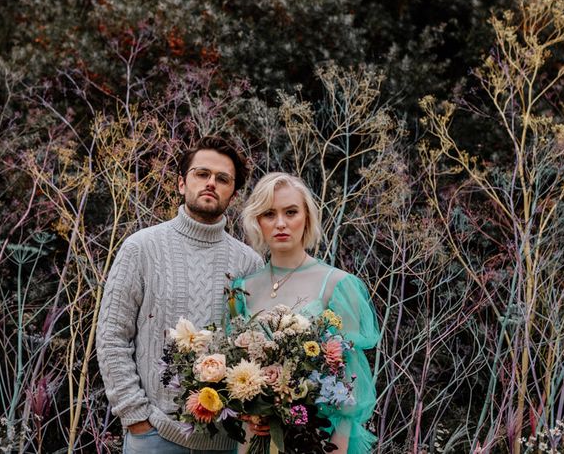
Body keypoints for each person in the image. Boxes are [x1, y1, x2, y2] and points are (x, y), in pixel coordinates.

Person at [96, 136, 264, 454]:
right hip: (154, 436)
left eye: (222, 179)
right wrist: (136, 417)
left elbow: (255, 349)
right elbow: (111, 337)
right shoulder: (141, 248)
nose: (211, 183)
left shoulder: (249, 263)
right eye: (202, 174)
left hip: (226, 441)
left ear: (234, 193)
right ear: (180, 183)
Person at [229, 172, 380, 454]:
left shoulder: (338, 285)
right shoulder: (242, 288)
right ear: (258, 222)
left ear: (307, 218)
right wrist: (251, 414)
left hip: (314, 441)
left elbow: (349, 384)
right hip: (253, 440)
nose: (281, 223)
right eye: (269, 214)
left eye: (291, 212)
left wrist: (331, 443)